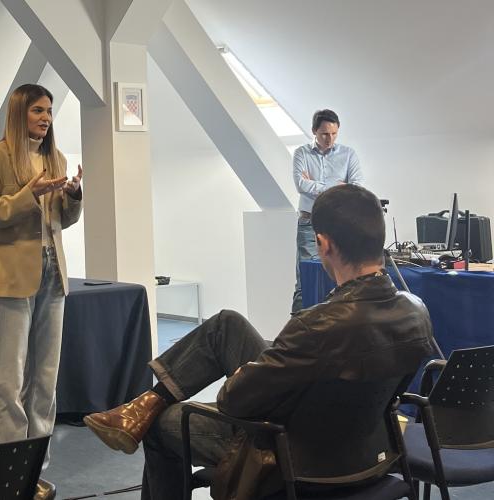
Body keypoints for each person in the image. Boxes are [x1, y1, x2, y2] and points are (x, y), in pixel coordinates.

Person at [83, 184, 437, 500]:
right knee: (227, 325)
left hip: (291, 454)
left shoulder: (316, 326)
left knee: (161, 425)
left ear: (323, 243)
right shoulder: (416, 312)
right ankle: (145, 403)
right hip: (368, 449)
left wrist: (243, 374)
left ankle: (148, 410)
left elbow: (233, 401)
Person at [0, 83, 83, 500]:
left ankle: (33, 471)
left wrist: (74, 196)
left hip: (53, 276)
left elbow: (61, 220)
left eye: (49, 111)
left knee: (45, 382)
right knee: (8, 382)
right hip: (12, 280)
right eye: (38, 110)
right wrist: (26, 195)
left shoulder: (57, 158)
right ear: (20, 113)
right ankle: (3, 474)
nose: (46, 118)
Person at [291, 109, 364, 313]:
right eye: (324, 134)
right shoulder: (302, 153)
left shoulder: (348, 154)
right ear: (314, 131)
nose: (329, 139)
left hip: (339, 225)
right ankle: (297, 328)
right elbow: (300, 184)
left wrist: (315, 185)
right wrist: (336, 187)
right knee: (305, 281)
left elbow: (356, 187)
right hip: (309, 224)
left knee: (341, 279)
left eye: (334, 133)